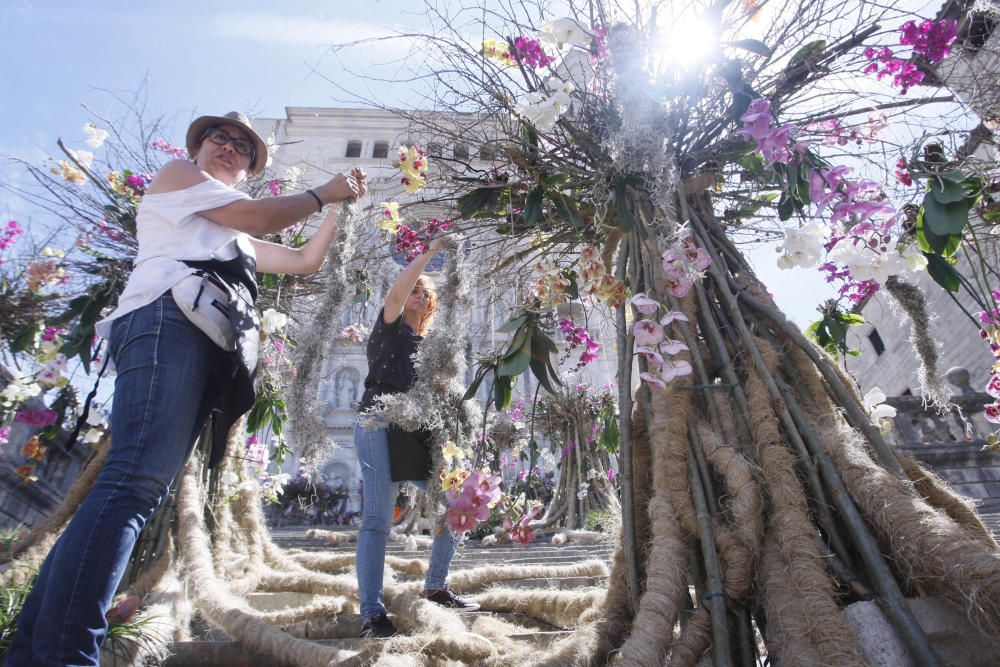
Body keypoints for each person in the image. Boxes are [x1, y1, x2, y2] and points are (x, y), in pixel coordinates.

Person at [6, 111, 366, 666]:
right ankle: (66, 652)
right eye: (218, 137)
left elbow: (302, 260)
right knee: (132, 483)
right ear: (196, 150)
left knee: (135, 487)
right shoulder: (178, 180)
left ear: (248, 167)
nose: (229, 147)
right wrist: (323, 192)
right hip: (164, 323)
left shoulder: (233, 237)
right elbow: (261, 216)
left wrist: (337, 207)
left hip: (200, 340)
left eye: (243, 146)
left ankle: (38, 647)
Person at [354, 238, 479, 639]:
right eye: (416, 290)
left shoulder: (430, 350)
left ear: (431, 307)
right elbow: (395, 292)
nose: (419, 296)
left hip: (418, 432)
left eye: (427, 294)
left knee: (456, 504)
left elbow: (443, 394)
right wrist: (425, 254)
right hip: (379, 423)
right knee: (377, 519)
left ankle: (437, 585)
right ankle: (372, 612)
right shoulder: (388, 331)